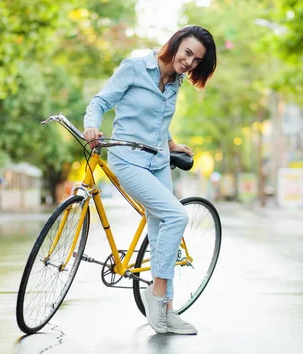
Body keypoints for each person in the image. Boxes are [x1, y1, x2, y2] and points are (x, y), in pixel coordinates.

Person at [83, 26, 217, 335]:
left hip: (157, 162)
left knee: (160, 235)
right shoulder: (134, 67)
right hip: (127, 159)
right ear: (175, 44)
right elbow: (100, 103)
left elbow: (158, 119)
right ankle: (157, 297)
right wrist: (91, 127)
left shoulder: (175, 82)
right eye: (187, 53)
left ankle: (167, 312)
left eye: (197, 61)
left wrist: (170, 145)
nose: (189, 63)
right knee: (176, 215)